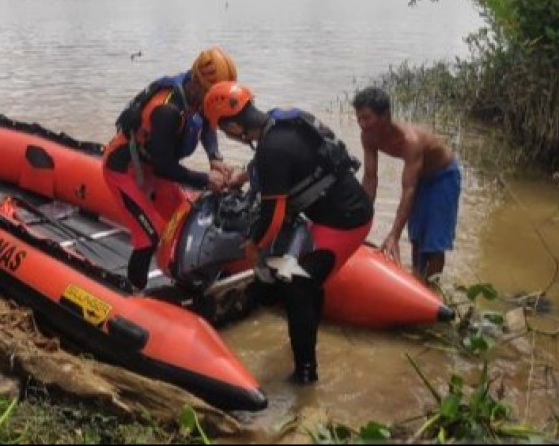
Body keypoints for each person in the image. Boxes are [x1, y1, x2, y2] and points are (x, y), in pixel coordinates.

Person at [204, 81, 373, 384]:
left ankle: (306, 375)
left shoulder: (272, 150)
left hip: (345, 224)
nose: (227, 135)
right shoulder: (280, 123)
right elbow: (278, 164)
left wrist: (253, 245)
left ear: (232, 126)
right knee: (306, 282)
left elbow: (273, 215)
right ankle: (309, 322)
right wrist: (242, 177)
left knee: (297, 287)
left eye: (224, 129)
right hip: (338, 211)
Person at [103, 47, 237, 290]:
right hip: (124, 170)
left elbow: (207, 126)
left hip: (152, 166)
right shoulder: (167, 110)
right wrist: (206, 180)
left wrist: (214, 157)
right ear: (198, 81)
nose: (212, 101)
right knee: (148, 237)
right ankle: (133, 293)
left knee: (186, 218)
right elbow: (165, 167)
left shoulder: (197, 95)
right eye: (211, 93)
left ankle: (190, 279)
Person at [353, 86, 461, 282]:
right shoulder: (368, 136)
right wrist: (359, 222)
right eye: (359, 118)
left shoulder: (411, 141)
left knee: (434, 242)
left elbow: (408, 189)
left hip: (443, 176)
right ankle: (417, 282)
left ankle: (433, 289)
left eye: (367, 118)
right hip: (420, 177)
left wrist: (394, 234)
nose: (362, 124)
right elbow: (370, 178)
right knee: (417, 237)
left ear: (385, 115)